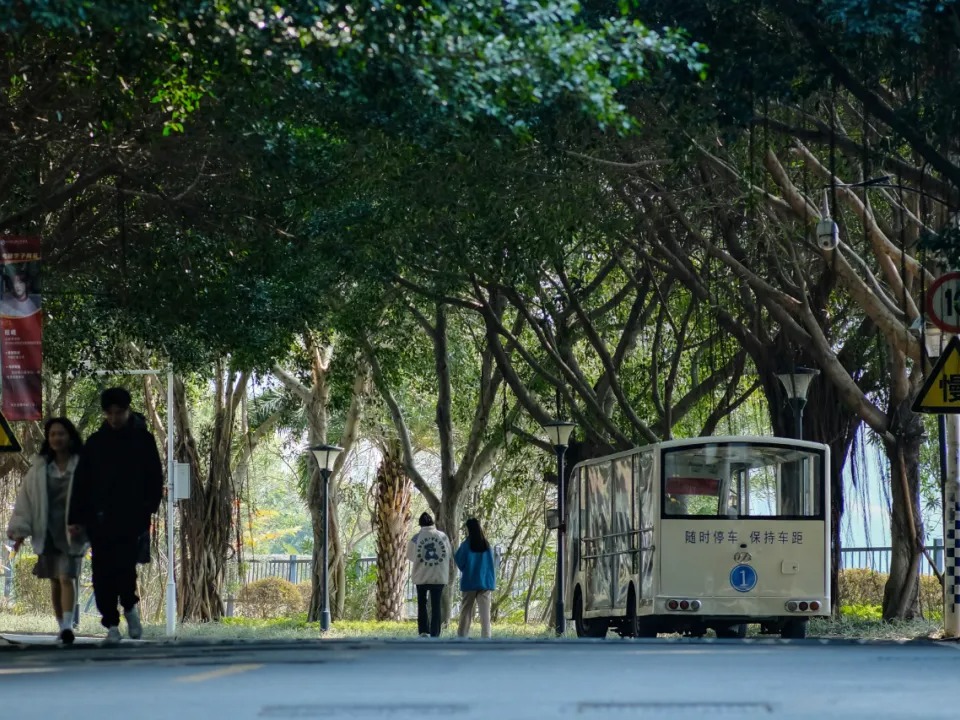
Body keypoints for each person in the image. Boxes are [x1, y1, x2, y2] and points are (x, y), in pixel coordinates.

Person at [68, 388, 163, 645]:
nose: (113, 418)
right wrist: (75, 519)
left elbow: (155, 477)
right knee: (101, 574)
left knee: (124, 568)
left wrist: (148, 507)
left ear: (127, 410)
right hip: (99, 519)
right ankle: (110, 623)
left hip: (131, 518)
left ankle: (130, 607)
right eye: (109, 413)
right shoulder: (95, 443)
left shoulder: (143, 440)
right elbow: (81, 483)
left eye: (118, 412)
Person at [6, 418, 87, 645]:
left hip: (73, 531)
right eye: (52, 434)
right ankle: (61, 627)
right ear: (48, 438)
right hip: (47, 531)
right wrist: (20, 531)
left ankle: (69, 626)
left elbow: (93, 497)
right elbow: (26, 501)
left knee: (67, 577)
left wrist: (87, 523)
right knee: (54, 579)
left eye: (61, 434)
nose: (56, 438)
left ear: (69, 436)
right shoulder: (40, 468)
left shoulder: (82, 466)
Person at [408, 512, 451, 638]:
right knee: (436, 605)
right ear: (433, 522)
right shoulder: (443, 536)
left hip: (421, 576)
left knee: (422, 604)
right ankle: (435, 633)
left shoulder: (416, 538)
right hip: (439, 576)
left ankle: (423, 631)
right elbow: (448, 554)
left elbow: (410, 556)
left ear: (420, 524)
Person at [455, 518, 496, 639]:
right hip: (485, 583)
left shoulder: (466, 544)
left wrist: (466, 569)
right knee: (485, 614)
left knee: (466, 612)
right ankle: (486, 637)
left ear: (469, 529)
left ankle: (462, 636)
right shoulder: (486, 545)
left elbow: (458, 559)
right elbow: (491, 565)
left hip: (470, 582)